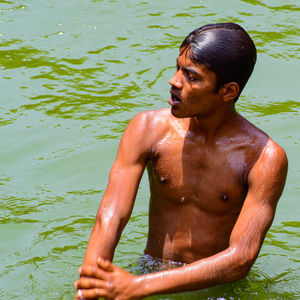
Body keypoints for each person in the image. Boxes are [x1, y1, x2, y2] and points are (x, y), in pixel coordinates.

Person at [74, 23, 288, 299]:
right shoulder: (147, 128)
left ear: (228, 91)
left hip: (214, 291)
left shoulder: (264, 157)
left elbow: (240, 258)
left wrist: (137, 287)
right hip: (147, 274)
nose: (174, 81)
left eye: (191, 76)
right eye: (177, 68)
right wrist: (92, 281)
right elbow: (111, 215)